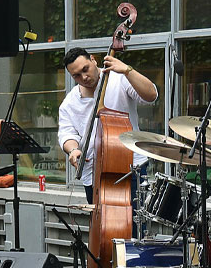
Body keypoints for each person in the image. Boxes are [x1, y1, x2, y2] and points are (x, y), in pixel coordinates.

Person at [58, 47, 158, 204]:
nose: (84, 77)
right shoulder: (69, 102)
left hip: (130, 167)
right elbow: (67, 134)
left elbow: (151, 96)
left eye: (86, 69)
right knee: (101, 225)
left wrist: (127, 70)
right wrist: (73, 149)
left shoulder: (119, 79)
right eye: (76, 75)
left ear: (93, 59)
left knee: (133, 223)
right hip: (93, 172)